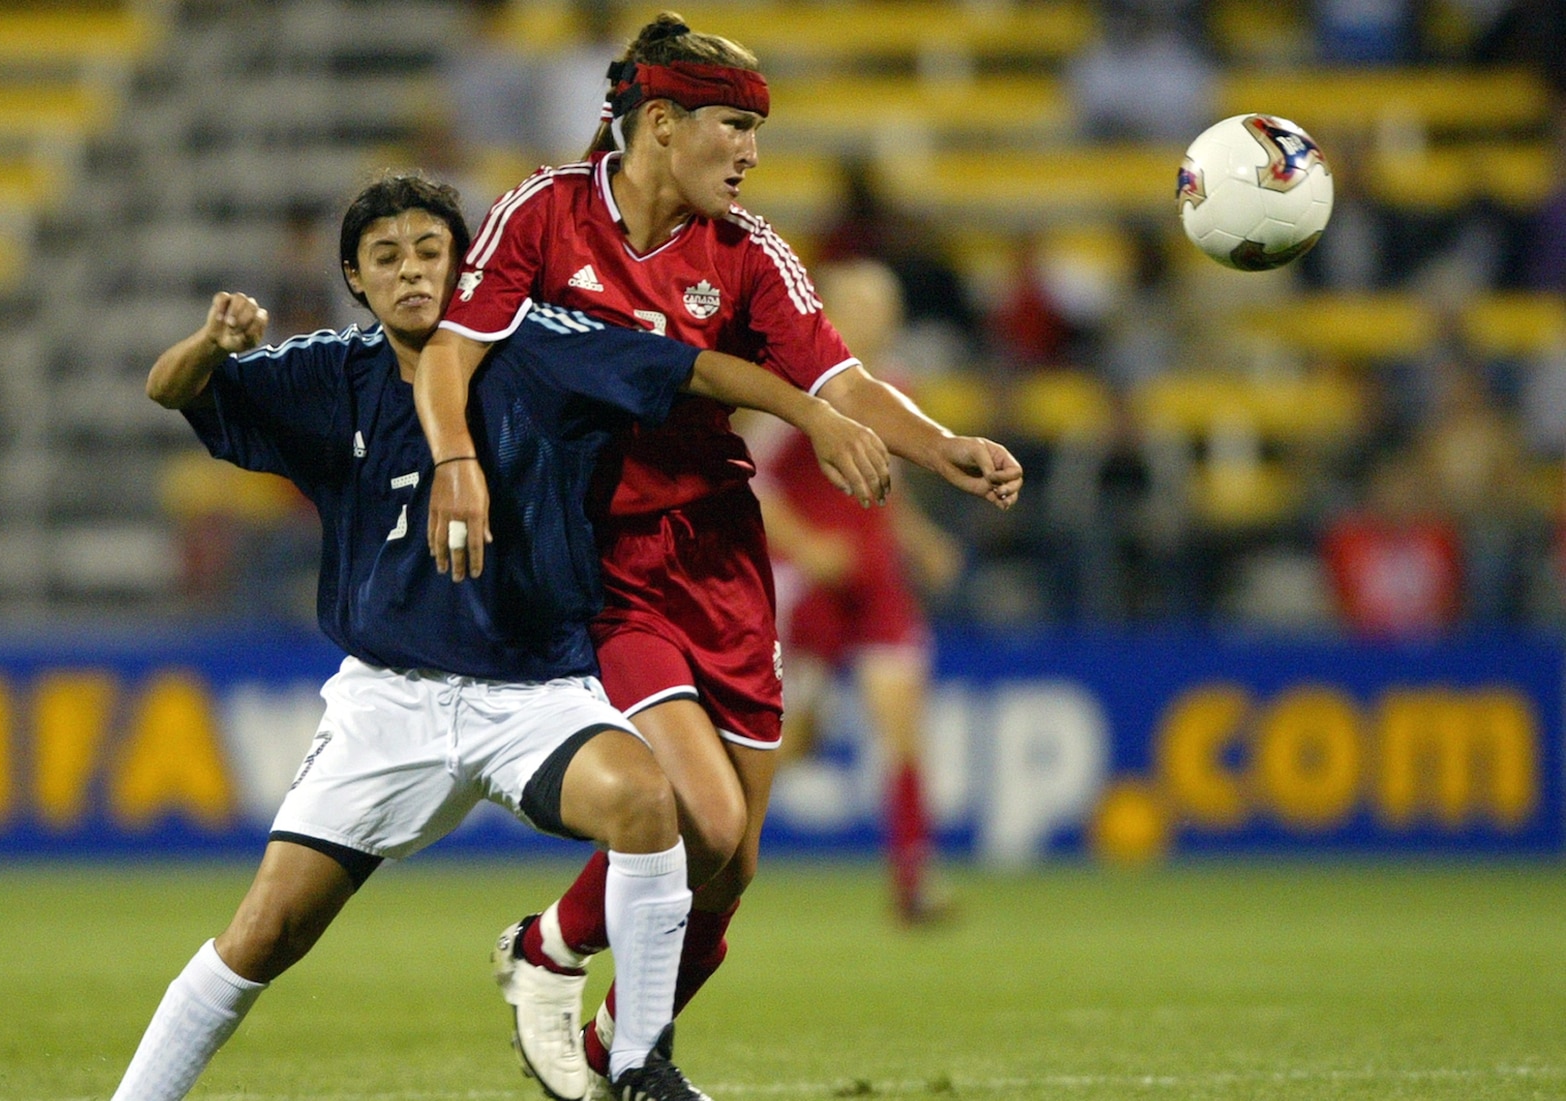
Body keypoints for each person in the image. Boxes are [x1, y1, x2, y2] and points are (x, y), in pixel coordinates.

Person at [109, 173, 890, 1101]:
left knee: (651, 803)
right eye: (386, 259)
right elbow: (171, 390)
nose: (411, 274)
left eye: (431, 251)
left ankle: (639, 1062)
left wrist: (815, 410)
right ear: (356, 280)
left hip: (533, 691)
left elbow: (689, 368)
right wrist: (211, 341)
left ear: (465, 261)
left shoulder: (541, 348)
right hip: (390, 701)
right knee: (265, 932)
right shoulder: (328, 375)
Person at [409, 14, 1024, 1099]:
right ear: (658, 122)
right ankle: (567, 966)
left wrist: (937, 449)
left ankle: (605, 1050)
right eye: (732, 126)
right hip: (605, 559)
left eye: (754, 131)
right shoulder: (543, 216)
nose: (748, 151)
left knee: (730, 864)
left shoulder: (748, 253)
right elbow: (451, 352)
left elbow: (837, 380)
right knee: (705, 809)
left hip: (720, 561)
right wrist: (455, 461)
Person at [747, 259, 963, 925]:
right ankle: (706, 855)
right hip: (810, 587)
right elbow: (750, 476)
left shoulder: (893, 386)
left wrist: (919, 538)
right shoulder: (796, 388)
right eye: (858, 303)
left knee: (901, 723)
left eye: (882, 304)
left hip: (875, 582)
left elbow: (884, 483)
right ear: (828, 309)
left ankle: (913, 880)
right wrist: (808, 546)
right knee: (786, 742)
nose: (873, 316)